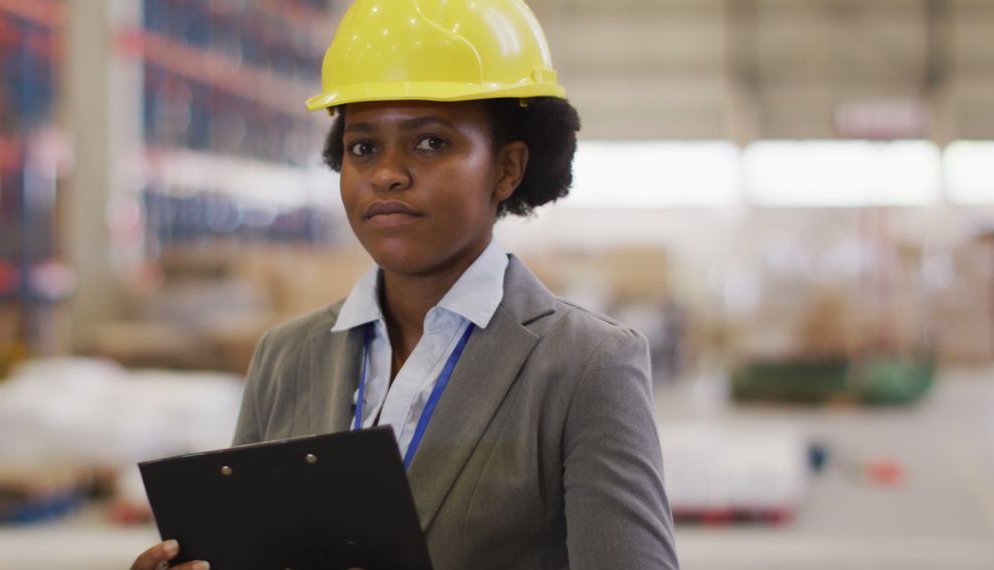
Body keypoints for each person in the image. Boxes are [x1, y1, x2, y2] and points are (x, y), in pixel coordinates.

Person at [131, 1, 678, 569]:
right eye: (362, 147)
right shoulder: (285, 356)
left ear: (507, 168)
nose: (387, 173)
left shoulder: (586, 366)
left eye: (431, 143)